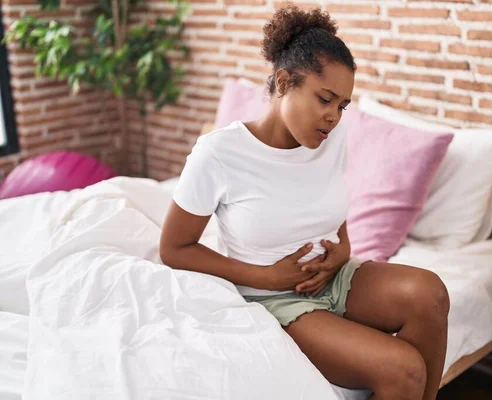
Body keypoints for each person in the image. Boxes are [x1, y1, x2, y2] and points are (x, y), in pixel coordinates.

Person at [159, 5, 449, 400]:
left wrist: (343, 248)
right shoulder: (220, 153)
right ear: (283, 82)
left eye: (342, 106)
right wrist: (262, 278)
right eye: (325, 99)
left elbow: (332, 206)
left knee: (429, 292)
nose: (333, 117)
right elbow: (174, 249)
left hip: (336, 276)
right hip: (274, 298)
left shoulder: (332, 141)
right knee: (404, 370)